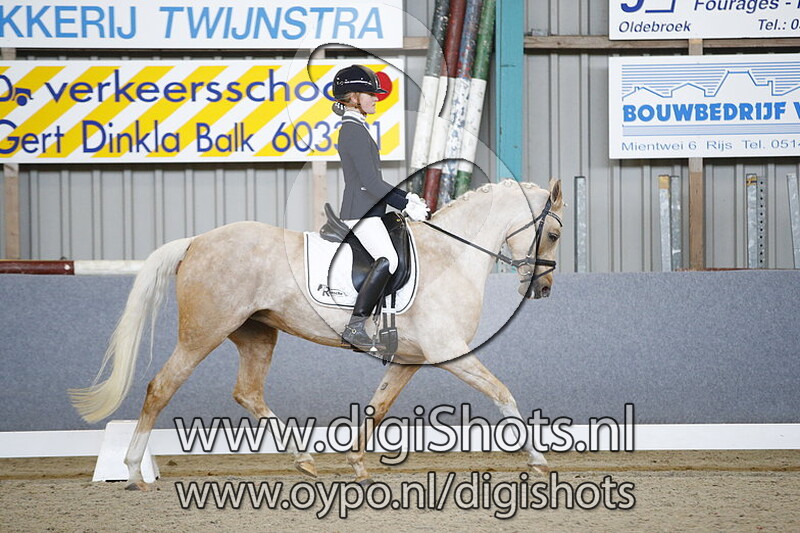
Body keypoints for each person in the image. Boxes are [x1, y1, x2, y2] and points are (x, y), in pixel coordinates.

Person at [331, 64, 429, 351]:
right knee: (389, 259)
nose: (376, 98)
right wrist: (405, 204)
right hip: (359, 212)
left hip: (370, 210)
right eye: (370, 94)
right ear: (353, 97)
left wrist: (407, 198)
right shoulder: (352, 130)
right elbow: (370, 182)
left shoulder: (358, 127)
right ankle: (355, 327)